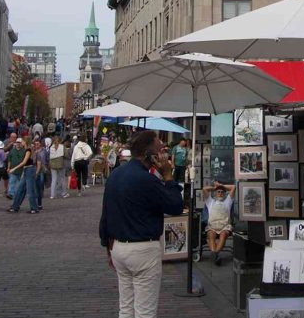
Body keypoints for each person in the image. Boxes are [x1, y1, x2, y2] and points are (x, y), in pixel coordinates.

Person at [99, 131, 184, 318]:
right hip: (143, 248)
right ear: (149, 154)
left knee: (126, 308)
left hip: (119, 247)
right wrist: (169, 176)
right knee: (145, 312)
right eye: (159, 149)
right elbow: (176, 206)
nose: (162, 154)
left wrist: (107, 245)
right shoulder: (147, 180)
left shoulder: (116, 174)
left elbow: (106, 214)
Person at [202, 182, 234, 265]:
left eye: (222, 192)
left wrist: (221, 186)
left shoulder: (228, 201)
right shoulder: (210, 202)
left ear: (224, 193)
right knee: (211, 235)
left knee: (223, 236)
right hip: (212, 226)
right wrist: (215, 187)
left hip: (224, 226)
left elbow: (233, 187)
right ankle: (215, 255)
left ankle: (214, 254)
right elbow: (204, 189)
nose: (220, 193)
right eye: (218, 192)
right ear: (215, 193)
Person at [8, 138, 38, 214]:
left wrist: (14, 168)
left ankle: (34, 208)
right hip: (27, 170)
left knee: (30, 190)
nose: (21, 142)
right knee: (20, 189)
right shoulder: (28, 149)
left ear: (25, 142)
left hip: (29, 170)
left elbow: (24, 162)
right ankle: (15, 207)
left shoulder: (28, 150)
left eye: (22, 141)